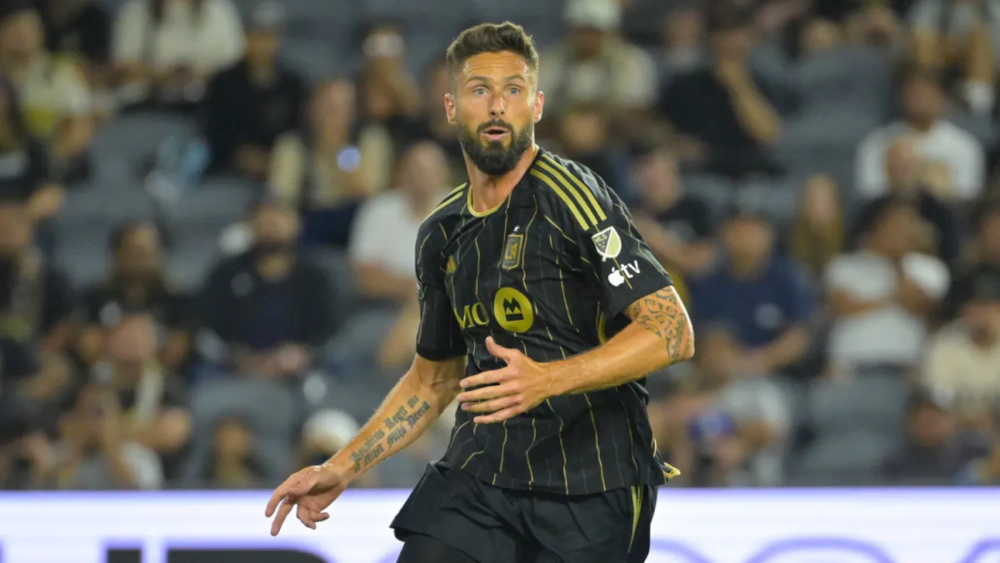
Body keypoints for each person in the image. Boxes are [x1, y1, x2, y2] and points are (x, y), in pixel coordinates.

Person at [265, 22, 696, 563]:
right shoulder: (441, 232)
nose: (497, 106)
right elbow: (435, 377)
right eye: (479, 90)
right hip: (482, 480)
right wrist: (342, 465)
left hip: (593, 487)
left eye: (513, 90)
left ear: (536, 106)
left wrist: (548, 379)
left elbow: (672, 331)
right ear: (450, 108)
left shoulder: (574, 197)